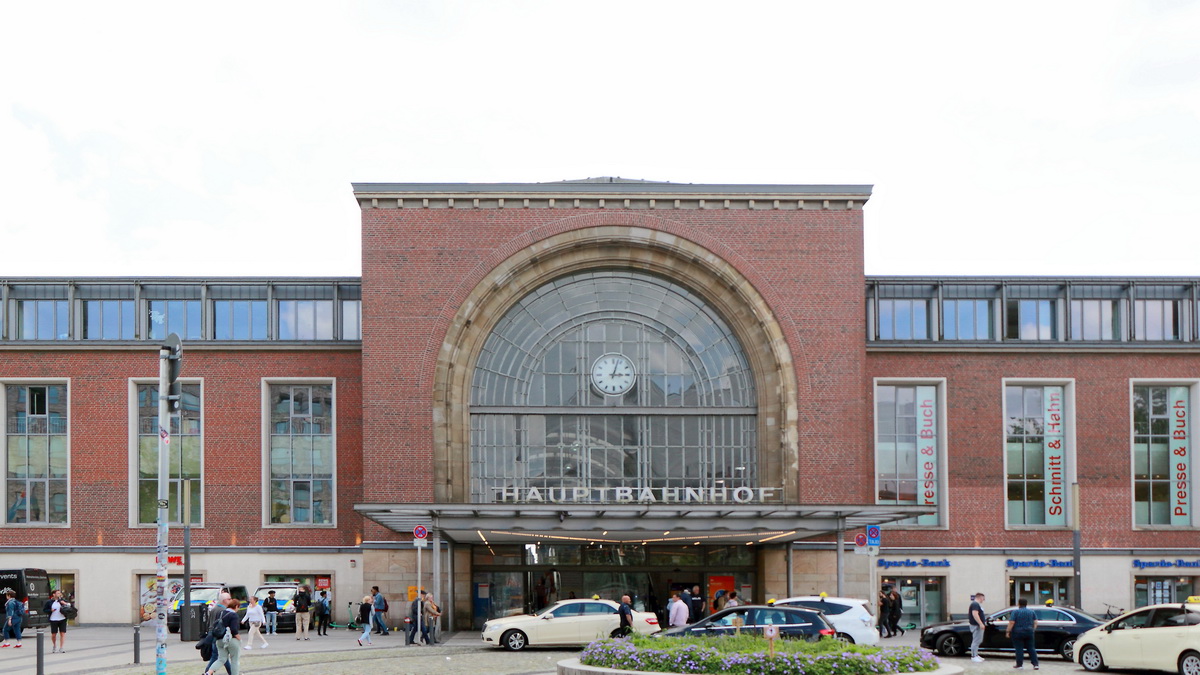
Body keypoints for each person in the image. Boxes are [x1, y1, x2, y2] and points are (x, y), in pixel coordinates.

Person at [205, 596, 241, 675]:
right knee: (234, 660)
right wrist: (238, 637)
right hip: (231, 640)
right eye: (238, 607)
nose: (238, 609)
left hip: (219, 639)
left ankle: (209, 672)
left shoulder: (221, 613)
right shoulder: (233, 615)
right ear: (236, 606)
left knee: (221, 659)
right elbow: (234, 629)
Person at [1005, 598, 1039, 670]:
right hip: (1029, 631)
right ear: (1026, 604)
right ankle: (1035, 664)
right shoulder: (1031, 612)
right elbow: (1035, 622)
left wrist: (1008, 631)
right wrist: (1033, 629)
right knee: (1031, 648)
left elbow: (1012, 622)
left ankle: (1019, 665)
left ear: (1018, 604)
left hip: (1018, 632)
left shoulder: (1015, 612)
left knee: (1019, 648)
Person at [45, 589, 71, 653]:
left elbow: (70, 606)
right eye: (58, 593)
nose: (59, 594)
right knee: (54, 634)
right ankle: (54, 646)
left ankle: (61, 647)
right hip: (53, 619)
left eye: (60, 593)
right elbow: (45, 610)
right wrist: (50, 610)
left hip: (62, 619)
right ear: (54, 594)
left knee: (62, 633)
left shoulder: (62, 600)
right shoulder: (49, 602)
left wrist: (64, 603)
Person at [968, 592, 986, 663]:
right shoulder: (975, 604)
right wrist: (980, 623)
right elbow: (975, 614)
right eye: (983, 598)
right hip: (976, 625)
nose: (983, 600)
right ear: (980, 597)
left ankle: (976, 654)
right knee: (976, 641)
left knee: (978, 640)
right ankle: (973, 656)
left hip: (977, 625)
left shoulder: (976, 604)